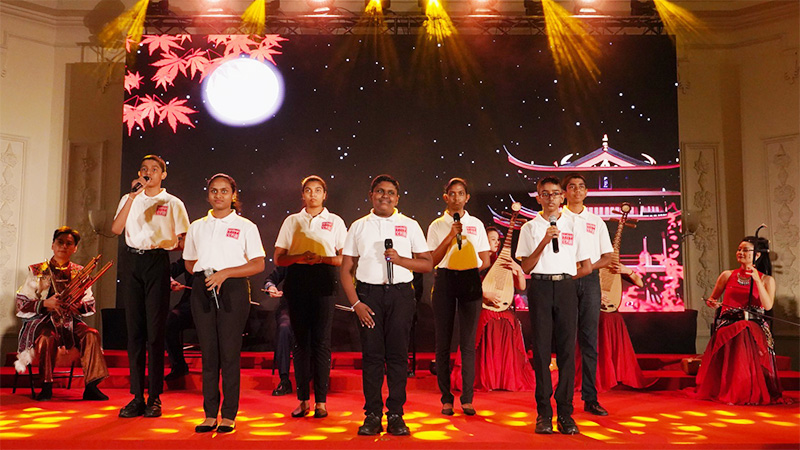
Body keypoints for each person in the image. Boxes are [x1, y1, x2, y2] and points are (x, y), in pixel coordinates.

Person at [340, 174, 433, 436]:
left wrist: (401, 260)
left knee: (397, 356)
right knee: (372, 356)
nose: (385, 196)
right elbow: (346, 270)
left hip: (401, 296)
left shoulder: (409, 225)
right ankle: (372, 414)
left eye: (390, 192)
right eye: (380, 191)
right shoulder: (359, 226)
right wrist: (356, 303)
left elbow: (427, 264)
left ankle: (395, 414)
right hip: (368, 296)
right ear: (371, 195)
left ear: (397, 198)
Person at [183, 173, 266, 433]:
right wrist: (206, 274)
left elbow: (258, 263)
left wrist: (226, 273)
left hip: (233, 288)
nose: (218, 195)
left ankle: (229, 414)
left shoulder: (245, 226)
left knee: (229, 353)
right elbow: (189, 261)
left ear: (233, 195)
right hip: (203, 287)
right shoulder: (197, 226)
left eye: (224, 191)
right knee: (208, 353)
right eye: (214, 191)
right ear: (208, 195)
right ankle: (209, 414)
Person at [112, 154, 190, 418]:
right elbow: (116, 229)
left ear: (163, 175)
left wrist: (167, 243)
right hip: (132, 261)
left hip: (157, 261)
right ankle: (136, 396)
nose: (149, 173)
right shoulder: (129, 198)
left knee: (155, 332)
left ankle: (154, 397)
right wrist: (132, 197)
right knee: (134, 331)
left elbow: (184, 240)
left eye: (155, 169)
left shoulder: (173, 202)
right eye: (144, 169)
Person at [516, 176, 591, 435]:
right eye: (545, 194)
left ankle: (566, 413)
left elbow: (586, 266)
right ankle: (544, 413)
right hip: (540, 287)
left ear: (562, 197)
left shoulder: (574, 225)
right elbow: (526, 267)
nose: (551, 198)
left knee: (568, 351)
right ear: (538, 197)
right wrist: (544, 241)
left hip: (566, 288)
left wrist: (565, 277)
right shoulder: (530, 227)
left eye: (555, 193)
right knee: (541, 351)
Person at [274, 175, 347, 419]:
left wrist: (321, 259)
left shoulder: (335, 221)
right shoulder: (292, 221)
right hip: (297, 282)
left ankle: (321, 402)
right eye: (308, 190)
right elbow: (279, 258)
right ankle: (303, 400)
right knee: (300, 343)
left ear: (325, 195)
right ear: (302, 194)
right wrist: (299, 257)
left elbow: (344, 258)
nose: (313, 194)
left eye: (317, 190)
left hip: (324, 281)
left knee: (321, 343)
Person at [14, 226, 109, 401]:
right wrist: (46, 303)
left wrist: (77, 305)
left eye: (69, 243)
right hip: (43, 320)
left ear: (75, 248)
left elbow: (89, 303)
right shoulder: (38, 270)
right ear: (52, 245)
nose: (64, 246)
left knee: (91, 334)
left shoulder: (80, 272)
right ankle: (46, 385)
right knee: (46, 338)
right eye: (60, 242)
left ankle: (91, 386)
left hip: (70, 320)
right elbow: (21, 303)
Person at [426, 178, 491, 416]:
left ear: (467, 197)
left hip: (470, 280)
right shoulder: (436, 225)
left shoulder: (476, 224)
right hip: (445, 279)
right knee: (443, 343)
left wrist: (467, 266)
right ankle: (446, 399)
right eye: (451, 194)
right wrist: (450, 237)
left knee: (468, 343)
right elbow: (431, 260)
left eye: (460, 193)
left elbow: (485, 259)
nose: (456, 198)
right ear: (446, 197)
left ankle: (467, 399)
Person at [695, 236, 781, 405]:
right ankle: (731, 390)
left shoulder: (766, 280)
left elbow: (767, 305)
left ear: (757, 255)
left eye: (745, 250)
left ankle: (743, 390)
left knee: (745, 329)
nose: (740, 252)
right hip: (728, 323)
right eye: (739, 249)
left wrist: (757, 281)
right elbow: (712, 299)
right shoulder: (727, 275)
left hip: (754, 325)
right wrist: (712, 302)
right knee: (740, 328)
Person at [561, 173, 613, 416]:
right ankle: (564, 398)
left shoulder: (596, 221)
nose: (577, 191)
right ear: (564, 193)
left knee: (589, 341)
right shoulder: (557, 218)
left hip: (590, 281)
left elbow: (607, 256)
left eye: (581, 187)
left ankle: (590, 398)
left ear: (587, 191)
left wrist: (586, 269)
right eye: (572, 187)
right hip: (564, 280)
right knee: (565, 340)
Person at [468, 225, 535, 392]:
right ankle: (487, 378)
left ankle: (506, 379)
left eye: (498, 240)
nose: (496, 243)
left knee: (510, 320)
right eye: (492, 239)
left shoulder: (504, 261)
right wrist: (484, 294)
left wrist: (517, 270)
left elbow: (521, 286)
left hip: (504, 309)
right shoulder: (476, 261)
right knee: (488, 319)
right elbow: (467, 287)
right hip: (483, 308)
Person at [165, 234, 194, 381]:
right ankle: (179, 366)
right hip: (189, 305)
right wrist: (171, 281)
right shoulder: (189, 257)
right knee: (169, 321)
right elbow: (169, 271)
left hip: (212, 305)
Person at [263, 266, 294, 396]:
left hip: (311, 309)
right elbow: (269, 280)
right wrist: (271, 287)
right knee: (284, 327)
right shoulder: (289, 261)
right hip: (289, 308)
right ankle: (284, 379)